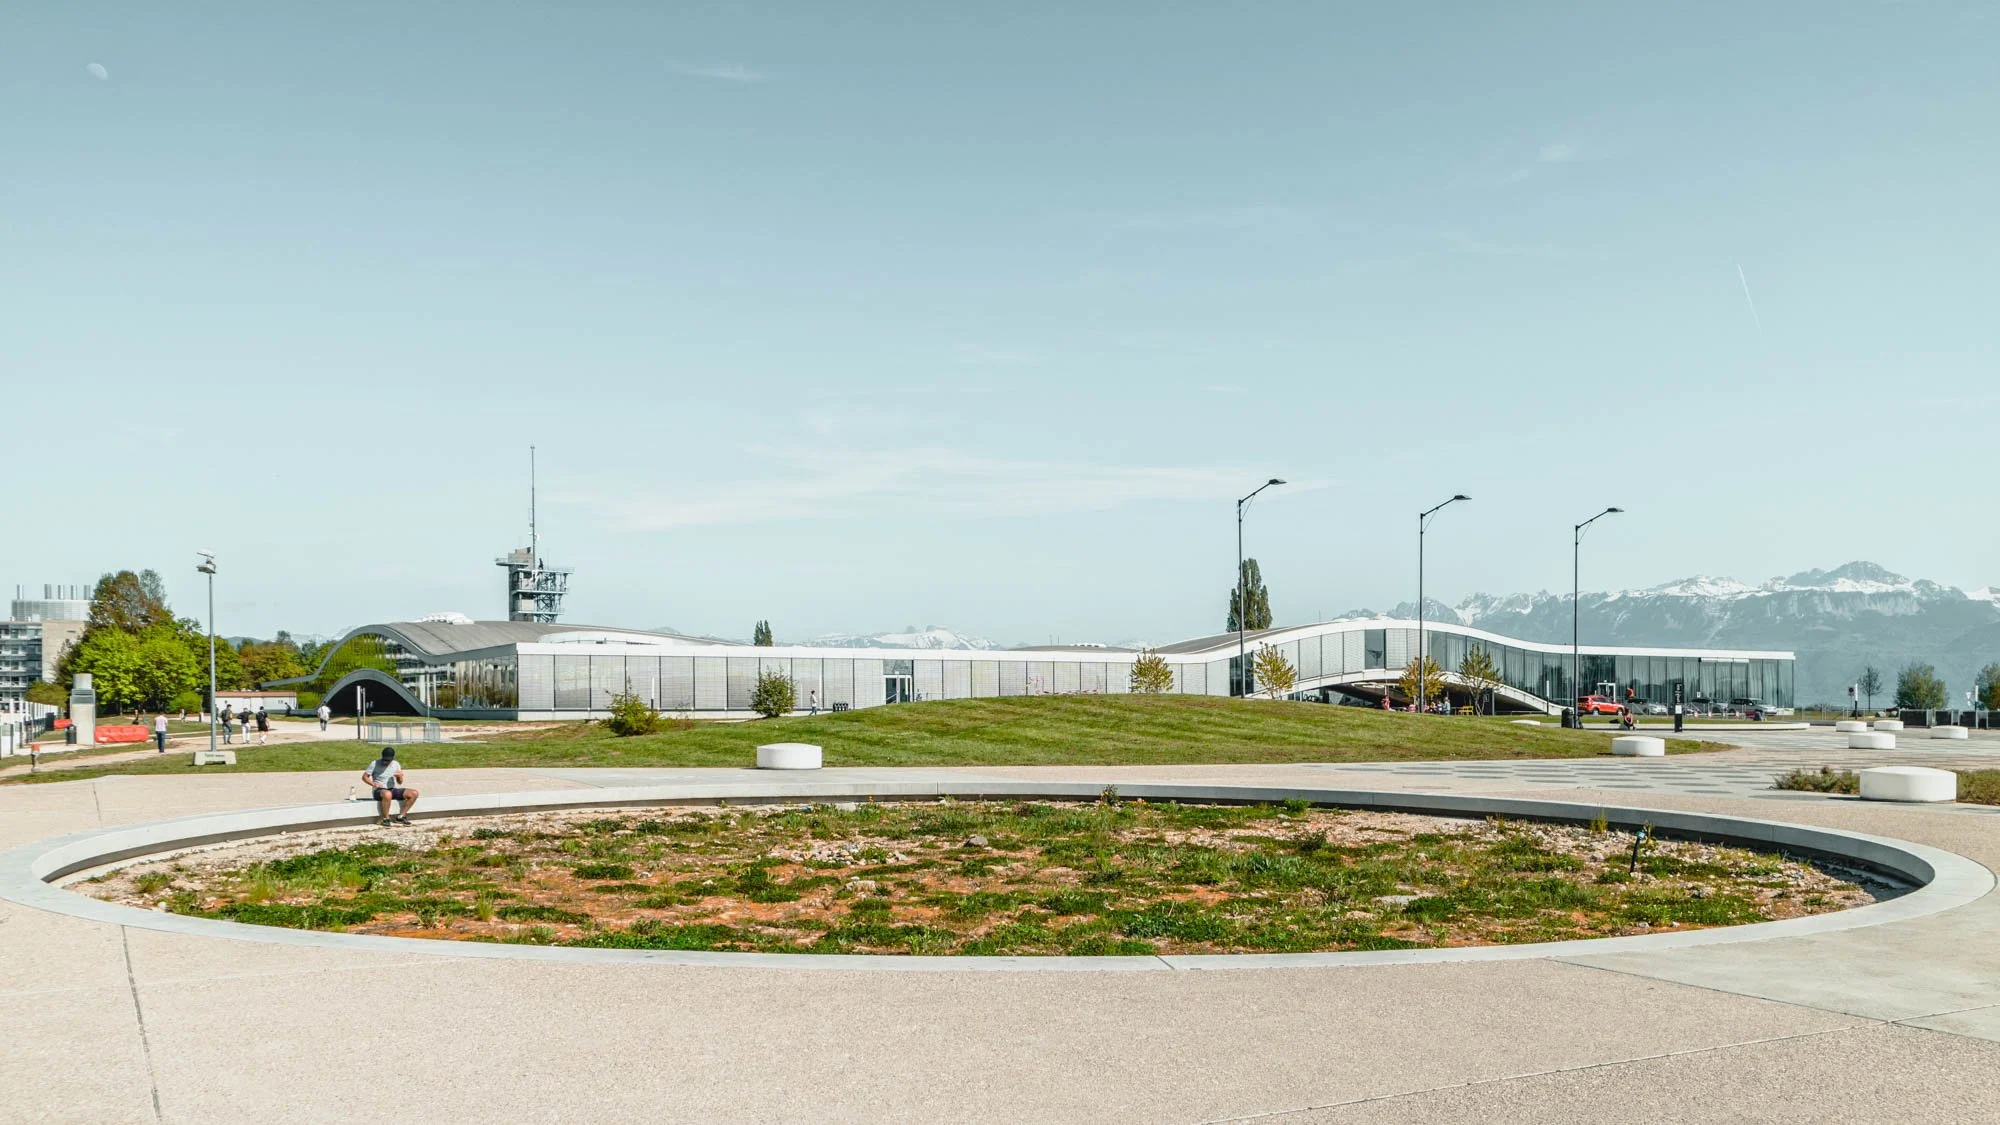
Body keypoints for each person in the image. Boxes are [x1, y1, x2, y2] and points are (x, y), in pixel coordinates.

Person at [361, 747, 419, 826]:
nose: (386, 762)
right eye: (384, 760)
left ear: (392, 759)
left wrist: (399, 776)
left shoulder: (396, 764)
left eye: (388, 760)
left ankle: (401, 816)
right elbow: (364, 777)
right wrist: (373, 784)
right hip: (379, 790)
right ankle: (385, 818)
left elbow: (400, 782)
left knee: (414, 793)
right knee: (387, 794)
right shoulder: (374, 763)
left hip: (392, 789)